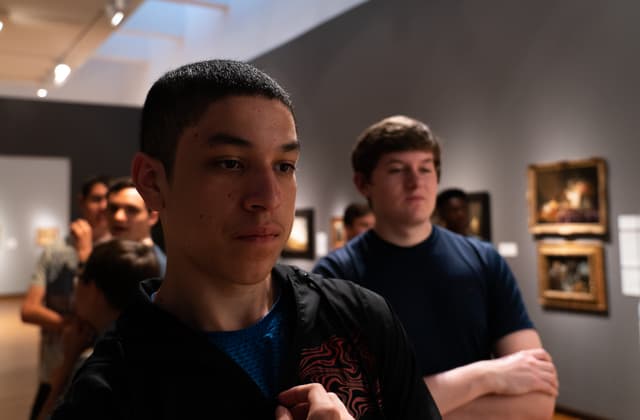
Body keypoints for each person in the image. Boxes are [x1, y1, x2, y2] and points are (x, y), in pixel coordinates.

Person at [51, 60, 440, 420]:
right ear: (153, 182)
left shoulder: (362, 320)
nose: (268, 197)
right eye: (231, 163)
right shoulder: (110, 394)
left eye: (284, 166)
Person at [314, 115, 558, 419]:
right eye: (397, 169)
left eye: (425, 168)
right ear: (364, 183)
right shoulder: (334, 277)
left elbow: (538, 401)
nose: (415, 182)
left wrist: (412, 409)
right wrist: (485, 376)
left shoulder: (484, 261)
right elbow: (346, 406)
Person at [36, 239, 161, 420]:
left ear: (93, 289)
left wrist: (68, 361)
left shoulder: (95, 362)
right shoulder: (149, 340)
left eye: (80, 277)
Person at [21, 175, 111, 420]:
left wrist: (85, 252)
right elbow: (28, 309)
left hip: (98, 370)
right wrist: (74, 328)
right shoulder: (55, 252)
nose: (103, 206)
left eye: (107, 200)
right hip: (55, 367)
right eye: (96, 199)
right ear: (82, 202)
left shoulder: (116, 252)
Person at [104, 177, 167, 274]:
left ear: (152, 217)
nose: (118, 217)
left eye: (132, 210)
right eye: (113, 208)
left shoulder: (159, 269)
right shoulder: (107, 257)